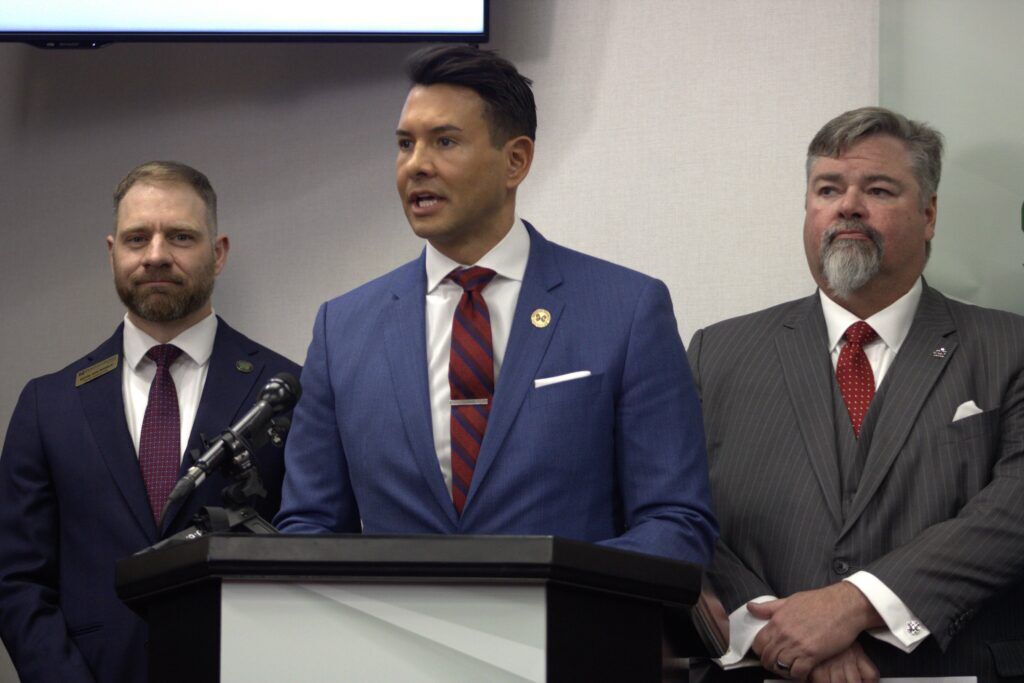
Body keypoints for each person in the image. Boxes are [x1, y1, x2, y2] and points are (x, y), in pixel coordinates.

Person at [274, 45, 716, 565]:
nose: (416, 165)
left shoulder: (626, 310)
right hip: (393, 618)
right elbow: (309, 526)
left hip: (569, 616)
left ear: (515, 160)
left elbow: (675, 523)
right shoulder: (343, 328)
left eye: (444, 141)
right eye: (405, 144)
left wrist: (555, 594)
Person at [688, 107, 1024, 681]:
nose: (848, 205)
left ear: (929, 214)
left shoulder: (1010, 346)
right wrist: (772, 629)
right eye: (828, 189)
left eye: (878, 189)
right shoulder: (716, 352)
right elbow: (679, 510)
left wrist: (855, 603)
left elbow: (1014, 509)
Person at [0, 161, 300, 683]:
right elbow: (16, 580)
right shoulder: (48, 406)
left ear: (218, 252)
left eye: (180, 236)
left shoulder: (286, 393)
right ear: (112, 252)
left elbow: (313, 554)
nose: (156, 255)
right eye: (137, 238)